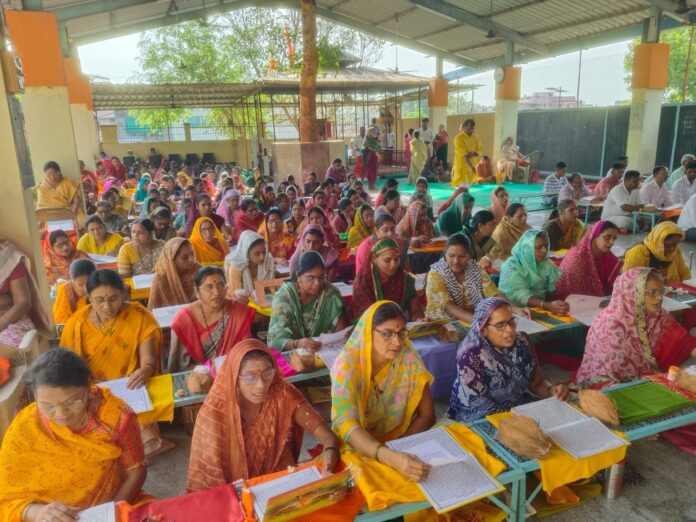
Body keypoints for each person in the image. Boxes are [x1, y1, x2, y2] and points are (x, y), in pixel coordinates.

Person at [0, 349, 148, 521]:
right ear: (35, 396)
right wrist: (36, 512)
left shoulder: (116, 417)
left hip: (106, 506)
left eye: (72, 402)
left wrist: (111, 514)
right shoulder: (26, 425)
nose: (61, 413)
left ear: (88, 387)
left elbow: (136, 472)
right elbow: (6, 494)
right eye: (48, 405)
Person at [187, 339, 339, 490]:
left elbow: (328, 437)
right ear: (234, 377)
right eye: (250, 377)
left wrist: (328, 469)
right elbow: (206, 481)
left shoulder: (282, 394)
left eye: (267, 374)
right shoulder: (214, 413)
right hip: (234, 495)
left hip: (282, 485)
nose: (261, 385)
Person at [331, 301, 434, 501]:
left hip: (401, 439)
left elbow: (427, 415)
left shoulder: (406, 355)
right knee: (368, 491)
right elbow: (346, 424)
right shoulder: (347, 365)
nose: (397, 342)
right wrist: (386, 455)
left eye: (402, 333)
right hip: (358, 445)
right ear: (368, 333)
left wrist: (398, 449)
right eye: (387, 334)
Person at [60, 269, 166, 455]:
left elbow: (148, 360)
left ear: (123, 293)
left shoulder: (139, 316)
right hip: (93, 389)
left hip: (132, 385)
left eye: (113, 299)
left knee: (142, 442)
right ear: (89, 297)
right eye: (99, 300)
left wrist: (145, 370)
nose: (107, 306)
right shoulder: (76, 324)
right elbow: (69, 368)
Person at [448, 298, 568, 422]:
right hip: (478, 414)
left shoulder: (521, 342)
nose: (510, 330)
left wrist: (551, 390)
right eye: (500, 325)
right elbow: (478, 404)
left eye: (511, 322)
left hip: (516, 405)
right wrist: (518, 420)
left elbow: (536, 382)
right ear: (483, 330)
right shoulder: (470, 354)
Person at [576, 268, 696, 388]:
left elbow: (685, 343)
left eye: (662, 291)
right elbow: (608, 376)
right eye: (652, 292)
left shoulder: (658, 314)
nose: (660, 297)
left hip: (646, 379)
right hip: (609, 386)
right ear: (632, 293)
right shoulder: (610, 326)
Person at [168, 266, 255, 372]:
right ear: (197, 291)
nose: (217, 292)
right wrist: (208, 371)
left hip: (232, 370)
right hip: (197, 375)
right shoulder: (184, 319)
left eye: (221, 285)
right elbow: (180, 365)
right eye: (209, 287)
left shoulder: (238, 311)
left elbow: (246, 350)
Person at [267, 251, 347, 351]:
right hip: (293, 354)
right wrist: (298, 344)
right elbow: (275, 341)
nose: (317, 283)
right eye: (311, 278)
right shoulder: (284, 297)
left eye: (322, 277)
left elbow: (342, 334)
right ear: (298, 276)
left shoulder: (330, 294)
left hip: (325, 353)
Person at [426, 234, 510, 322]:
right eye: (451, 256)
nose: (456, 261)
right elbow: (448, 307)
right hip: (443, 321)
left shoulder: (476, 269)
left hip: (473, 319)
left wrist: (512, 308)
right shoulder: (436, 274)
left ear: (470, 255)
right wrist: (479, 321)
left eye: (462, 256)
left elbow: (494, 294)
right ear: (445, 254)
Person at [351, 238, 424, 320]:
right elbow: (364, 317)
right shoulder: (363, 282)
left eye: (396, 259)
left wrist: (419, 321)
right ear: (374, 259)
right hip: (371, 324)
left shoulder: (405, 280)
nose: (393, 265)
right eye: (387, 260)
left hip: (400, 324)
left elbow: (416, 311)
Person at [499, 229, 568, 314]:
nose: (544, 250)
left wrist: (559, 305)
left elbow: (552, 290)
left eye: (546, 246)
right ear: (527, 248)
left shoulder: (546, 264)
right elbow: (519, 294)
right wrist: (547, 305)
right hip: (514, 310)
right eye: (539, 247)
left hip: (541, 308)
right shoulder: (511, 265)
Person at [554, 221, 622, 300]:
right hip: (567, 301)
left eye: (614, 238)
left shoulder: (605, 254)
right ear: (594, 235)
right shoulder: (578, 258)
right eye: (607, 237)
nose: (611, 242)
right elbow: (580, 294)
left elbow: (617, 275)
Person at [0, 239, 50, 347]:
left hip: (10, 315)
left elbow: (23, 301)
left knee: (15, 344)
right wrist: (6, 298)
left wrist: (2, 323)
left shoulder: (9, 256)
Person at [623, 221, 691, 284]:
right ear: (658, 241)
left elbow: (683, 273)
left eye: (675, 244)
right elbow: (630, 282)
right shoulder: (638, 252)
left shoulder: (675, 252)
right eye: (668, 245)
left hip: (668, 289)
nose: (672, 248)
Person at [148, 238, 200, 309]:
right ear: (172, 260)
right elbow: (153, 309)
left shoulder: (197, 271)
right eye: (185, 257)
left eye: (192, 254)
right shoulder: (161, 280)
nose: (191, 260)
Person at [224, 230, 275, 299]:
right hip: (244, 303)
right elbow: (237, 297)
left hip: (265, 300)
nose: (262, 257)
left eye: (264, 252)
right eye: (257, 254)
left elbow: (272, 287)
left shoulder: (268, 259)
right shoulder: (236, 267)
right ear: (246, 253)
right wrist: (255, 297)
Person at [36, 161, 85, 227]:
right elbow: (41, 206)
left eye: (54, 174)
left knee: (80, 221)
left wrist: (71, 214)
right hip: (50, 216)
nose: (52, 177)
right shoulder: (43, 187)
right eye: (49, 175)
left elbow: (77, 199)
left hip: (67, 211)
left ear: (59, 172)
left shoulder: (68, 182)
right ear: (45, 175)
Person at [53, 259, 96, 324]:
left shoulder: (100, 286)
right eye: (80, 284)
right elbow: (60, 320)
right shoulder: (65, 290)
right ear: (72, 281)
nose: (85, 288)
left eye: (89, 283)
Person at [451, 119, 483, 186]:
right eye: (469, 129)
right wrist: (472, 168)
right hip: (462, 169)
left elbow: (480, 150)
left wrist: (474, 153)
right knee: (462, 188)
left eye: (472, 129)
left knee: (474, 187)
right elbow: (464, 156)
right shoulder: (458, 138)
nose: (471, 131)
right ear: (464, 127)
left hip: (472, 169)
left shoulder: (475, 137)